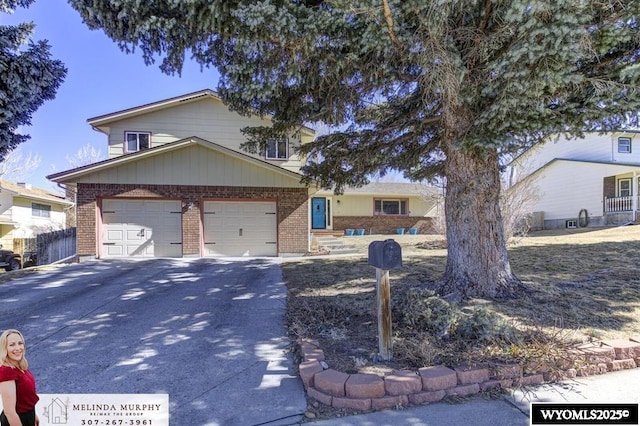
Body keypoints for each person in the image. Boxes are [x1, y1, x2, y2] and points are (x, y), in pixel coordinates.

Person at [0, 330, 39, 426]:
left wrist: (34, 415)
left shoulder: (20, 367)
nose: (17, 348)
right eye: (12, 345)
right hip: (16, 420)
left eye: (20, 343)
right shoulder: (6, 372)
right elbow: (10, 413)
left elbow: (25, 398)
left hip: (28, 416)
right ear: (4, 348)